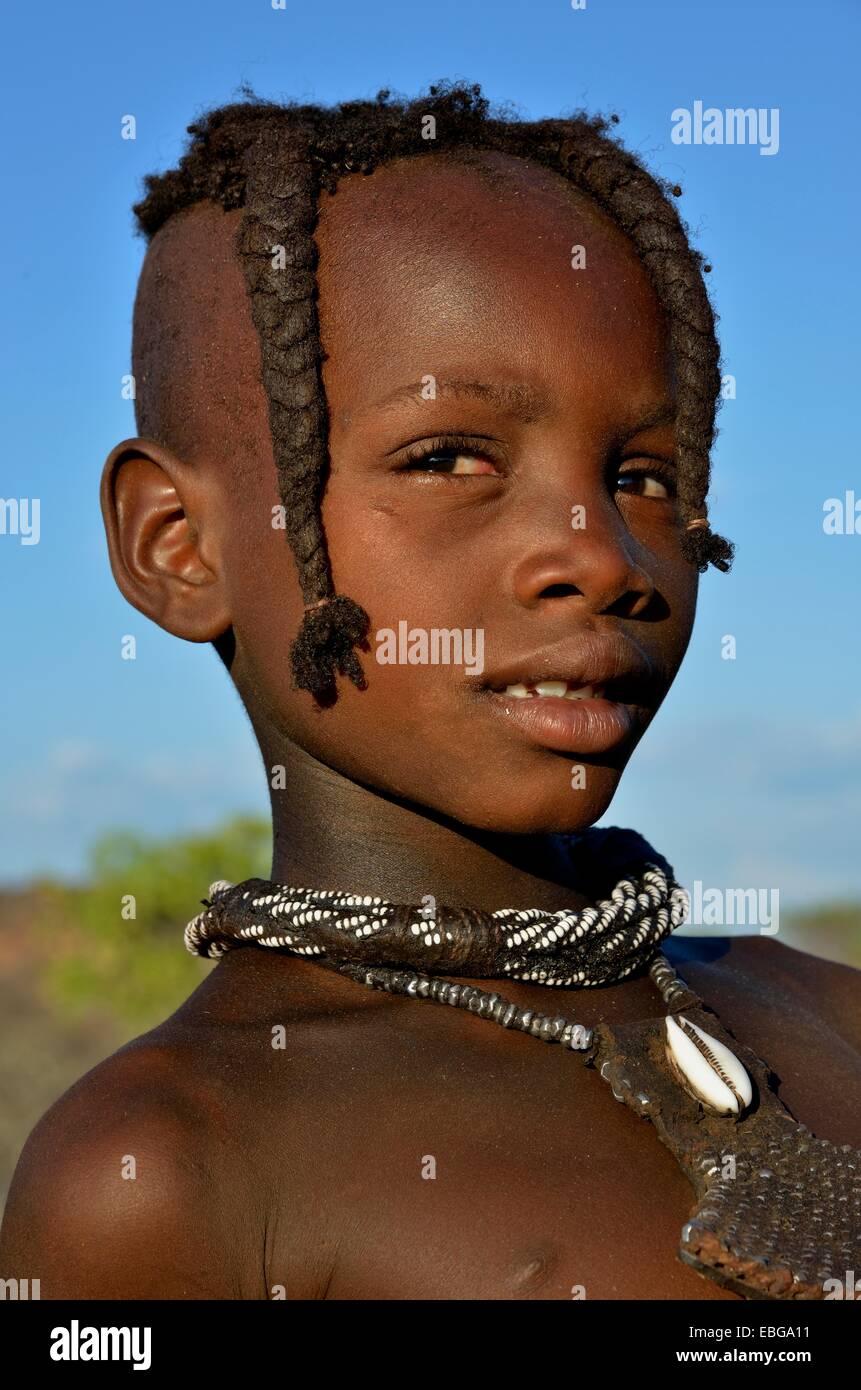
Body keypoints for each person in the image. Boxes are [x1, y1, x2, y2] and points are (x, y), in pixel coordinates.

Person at [1, 83, 858, 1300]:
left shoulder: (826, 1012)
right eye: (449, 456)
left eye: (646, 475)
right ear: (177, 546)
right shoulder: (169, 1172)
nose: (602, 556)